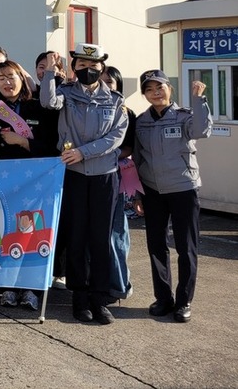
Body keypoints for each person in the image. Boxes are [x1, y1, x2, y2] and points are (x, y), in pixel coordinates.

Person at [40, 44, 127, 325]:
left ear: (102, 67)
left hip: (104, 175)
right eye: (81, 65)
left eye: (94, 65)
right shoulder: (65, 93)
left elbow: (115, 137)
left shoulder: (114, 100)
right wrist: (50, 75)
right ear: (73, 67)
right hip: (74, 175)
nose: (88, 70)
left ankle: (99, 299)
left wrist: (83, 152)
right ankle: (79, 298)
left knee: (101, 239)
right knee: (77, 237)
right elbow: (47, 102)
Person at [0, 59, 58, 311]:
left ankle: (30, 288)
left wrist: (23, 143)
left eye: (11, 76)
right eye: (1, 78)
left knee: (34, 232)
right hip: (6, 178)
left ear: (21, 79)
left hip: (36, 180)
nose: (7, 82)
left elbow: (51, 145)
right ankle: (9, 286)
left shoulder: (38, 108)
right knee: (9, 231)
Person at [133, 70, 212, 323]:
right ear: (145, 94)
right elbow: (137, 158)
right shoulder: (141, 121)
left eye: (160, 87)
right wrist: (137, 193)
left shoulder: (184, 116)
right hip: (152, 191)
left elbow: (201, 131)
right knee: (156, 246)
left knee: (186, 247)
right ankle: (163, 298)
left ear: (170, 89)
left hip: (183, 189)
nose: (156, 92)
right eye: (149, 89)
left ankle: (184, 301)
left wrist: (199, 99)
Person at [100, 66, 137, 302]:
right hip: (91, 175)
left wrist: (103, 154)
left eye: (110, 82)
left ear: (118, 86)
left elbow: (130, 147)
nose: (105, 86)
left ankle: (119, 284)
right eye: (101, 81)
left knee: (116, 233)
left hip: (116, 176)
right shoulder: (87, 109)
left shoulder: (127, 113)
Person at [35, 51, 67, 290]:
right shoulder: (31, 95)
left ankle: (60, 271)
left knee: (61, 219)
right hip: (37, 165)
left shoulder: (67, 93)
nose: (46, 69)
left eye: (52, 66)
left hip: (61, 163)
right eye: (42, 66)